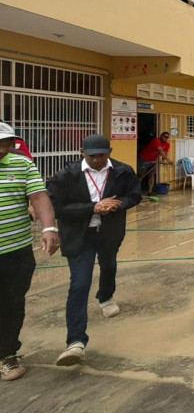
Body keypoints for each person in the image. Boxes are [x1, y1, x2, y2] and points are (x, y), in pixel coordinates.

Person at [47, 135, 142, 366]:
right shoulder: (67, 175)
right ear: (82, 153)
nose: (97, 160)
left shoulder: (122, 171)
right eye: (92, 156)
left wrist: (119, 204)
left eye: (102, 155)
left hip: (109, 232)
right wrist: (93, 207)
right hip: (79, 235)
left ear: (110, 152)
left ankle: (106, 296)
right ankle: (75, 342)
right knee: (80, 283)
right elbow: (56, 207)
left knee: (108, 265)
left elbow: (134, 195)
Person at [0, 123, 58, 381]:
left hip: (16, 250)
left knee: (12, 302)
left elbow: (39, 197)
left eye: (6, 143)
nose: (3, 149)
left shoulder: (22, 164)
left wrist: (49, 228)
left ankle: (6, 353)